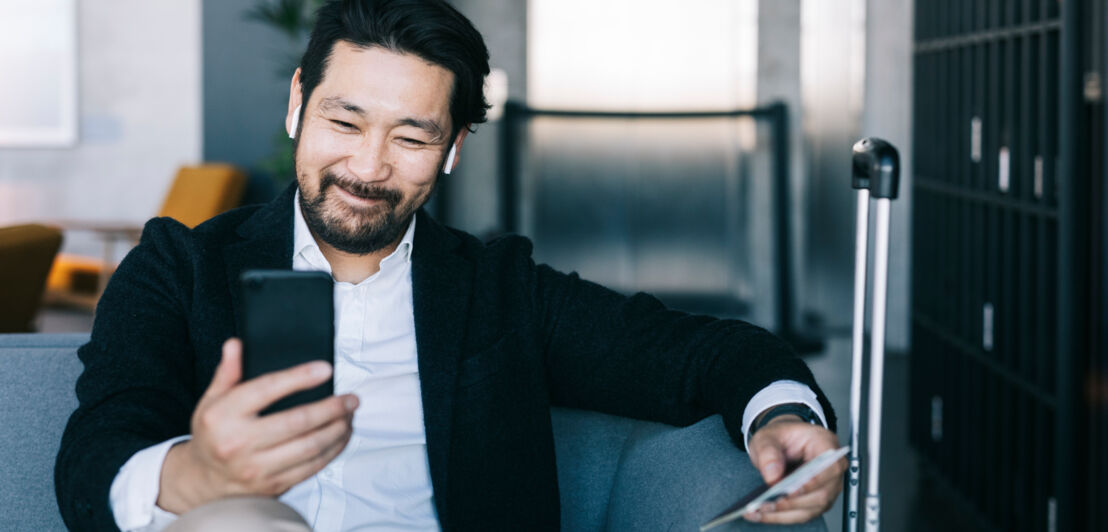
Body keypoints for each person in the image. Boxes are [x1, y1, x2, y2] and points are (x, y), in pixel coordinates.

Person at [55, 1, 845, 530]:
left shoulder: (500, 291)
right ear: (299, 103)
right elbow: (95, 454)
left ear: (455, 147)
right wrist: (201, 474)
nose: (367, 168)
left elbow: (706, 353)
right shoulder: (180, 268)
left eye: (411, 137)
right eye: (344, 120)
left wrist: (783, 415)